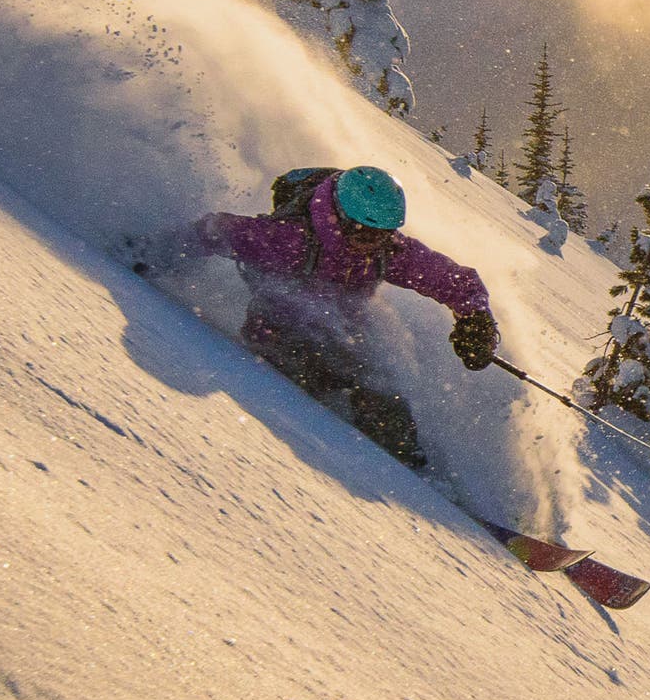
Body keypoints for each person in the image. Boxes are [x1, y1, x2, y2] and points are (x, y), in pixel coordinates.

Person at [178, 164, 496, 472]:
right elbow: (215, 231)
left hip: (340, 327)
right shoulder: (291, 240)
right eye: (369, 235)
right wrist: (154, 250)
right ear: (344, 221)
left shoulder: (386, 250)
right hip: (277, 325)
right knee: (310, 364)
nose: (377, 244)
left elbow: (455, 281)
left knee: (379, 389)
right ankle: (335, 441)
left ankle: (411, 471)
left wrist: (475, 321)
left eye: (385, 235)